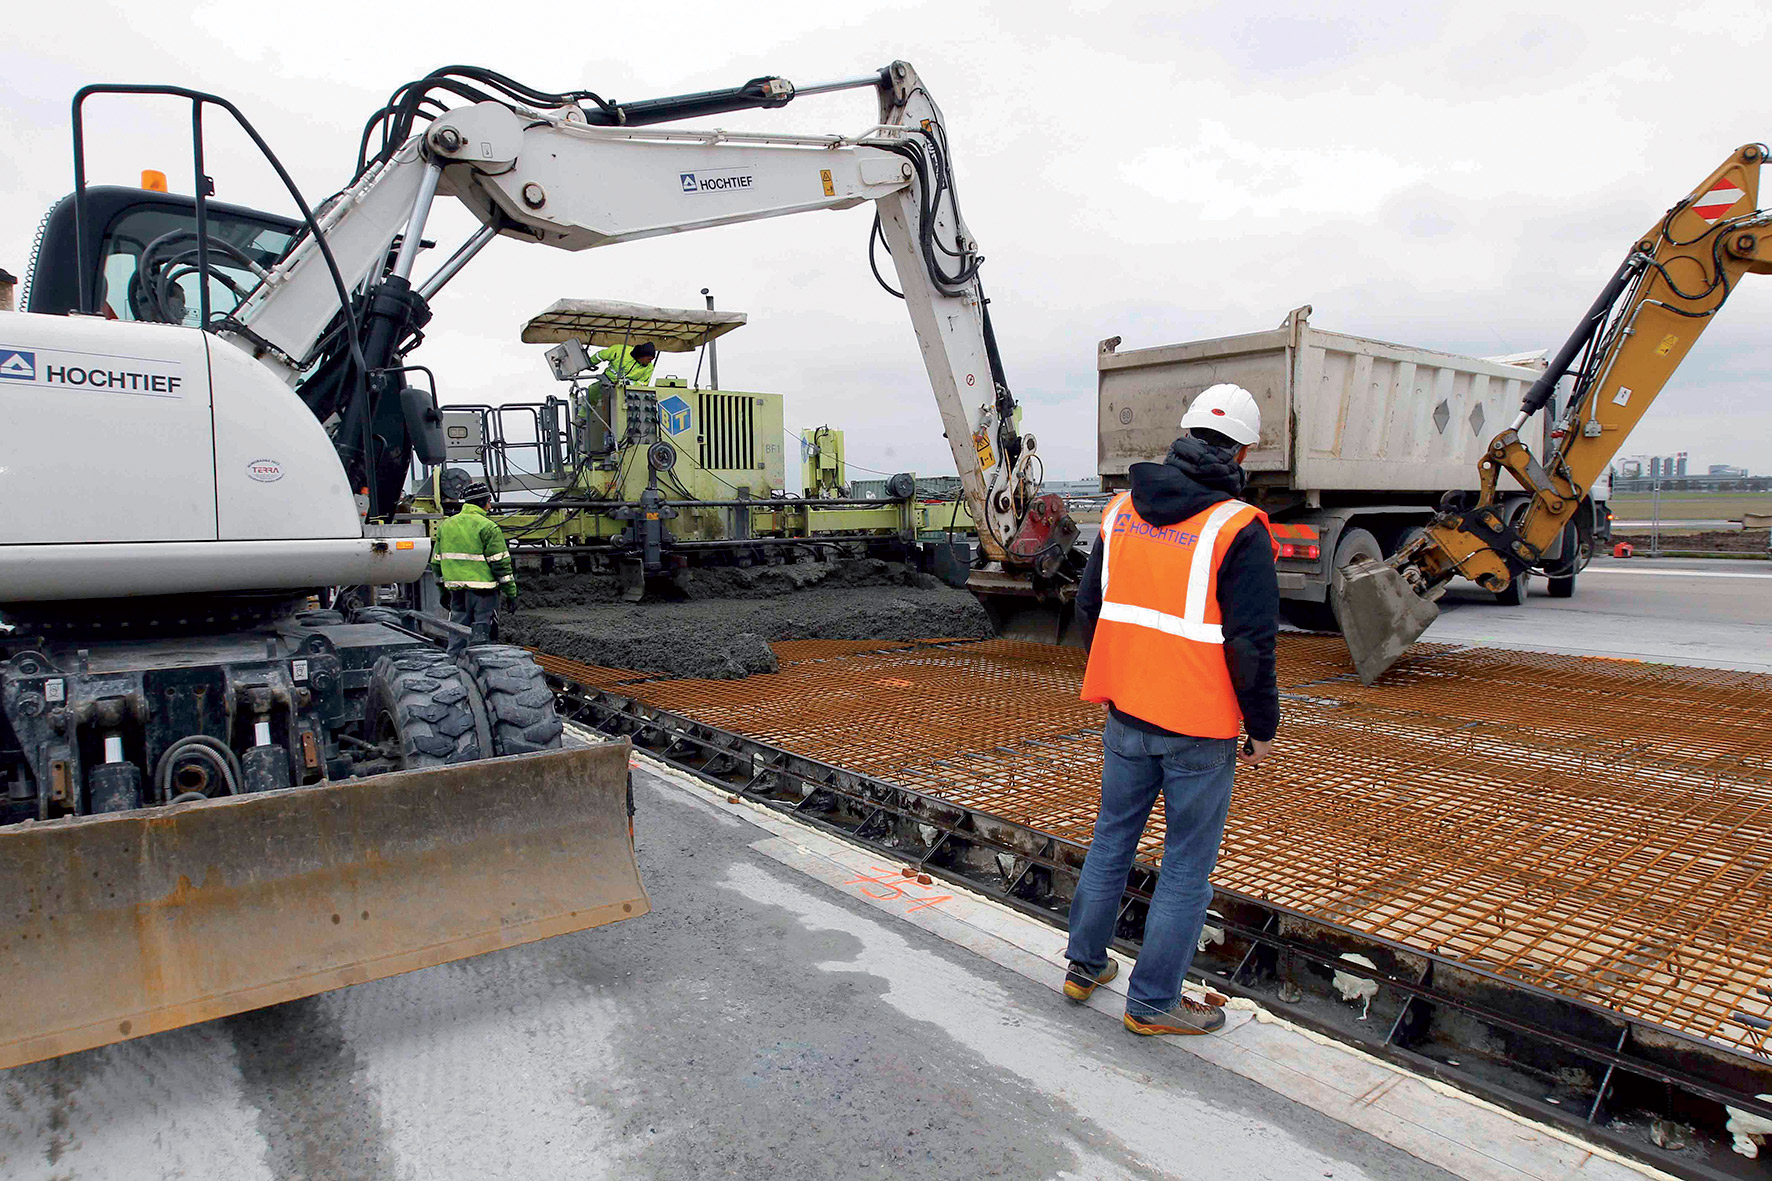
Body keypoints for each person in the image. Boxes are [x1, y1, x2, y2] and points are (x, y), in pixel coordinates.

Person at [1063, 383, 1280, 1036]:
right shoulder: (1237, 528)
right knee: (1186, 866)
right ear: (1241, 450)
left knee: (1110, 841)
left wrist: (1126, 672)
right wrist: (1263, 726)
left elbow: (1088, 611)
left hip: (1126, 716)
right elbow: (1251, 645)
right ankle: (1152, 1002)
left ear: (1183, 434)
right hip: (1198, 731)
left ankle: (1083, 967)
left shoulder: (1120, 511)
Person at [432, 468, 517, 653]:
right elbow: (501, 565)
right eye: (489, 502)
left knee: (457, 633)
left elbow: (437, 563)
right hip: (484, 593)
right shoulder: (488, 527)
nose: (491, 507)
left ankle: (455, 668)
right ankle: (481, 675)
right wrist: (511, 594)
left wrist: (442, 591)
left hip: (457, 592)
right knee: (483, 638)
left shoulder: (446, 526)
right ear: (484, 503)